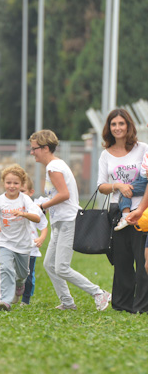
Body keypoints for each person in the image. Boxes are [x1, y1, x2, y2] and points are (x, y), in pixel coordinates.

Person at [30, 129, 111, 311]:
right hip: (60, 221)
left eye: (34, 148)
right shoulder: (54, 166)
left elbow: (65, 195)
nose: (32, 152)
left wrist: (43, 207)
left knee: (62, 267)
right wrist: (44, 203)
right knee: (49, 264)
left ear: (44, 148)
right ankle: (67, 302)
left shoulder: (54, 168)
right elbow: (59, 194)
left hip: (68, 221)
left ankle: (99, 293)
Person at [97, 110, 148, 313]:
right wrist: (117, 186)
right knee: (122, 260)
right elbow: (101, 186)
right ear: (109, 128)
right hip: (118, 212)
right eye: (113, 124)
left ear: (129, 125)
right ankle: (122, 304)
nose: (117, 128)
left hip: (142, 212)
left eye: (121, 123)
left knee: (142, 259)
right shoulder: (105, 154)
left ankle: (142, 305)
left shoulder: (142, 148)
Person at [0, 165, 39, 311]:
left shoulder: (25, 200)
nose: (12, 186)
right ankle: (4, 301)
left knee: (22, 274)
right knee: (5, 268)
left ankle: (19, 284)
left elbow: (37, 218)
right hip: (4, 242)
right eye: (8, 182)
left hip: (23, 244)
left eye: (16, 183)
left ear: (21, 184)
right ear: (3, 183)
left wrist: (24, 214)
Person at [19, 176, 48, 306]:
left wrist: (41, 238)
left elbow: (44, 226)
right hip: (15, 247)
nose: (20, 194)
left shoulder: (34, 208)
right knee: (12, 273)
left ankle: (25, 300)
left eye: (23, 191)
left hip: (31, 248)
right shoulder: (10, 207)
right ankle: (10, 294)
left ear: (31, 192)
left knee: (28, 276)